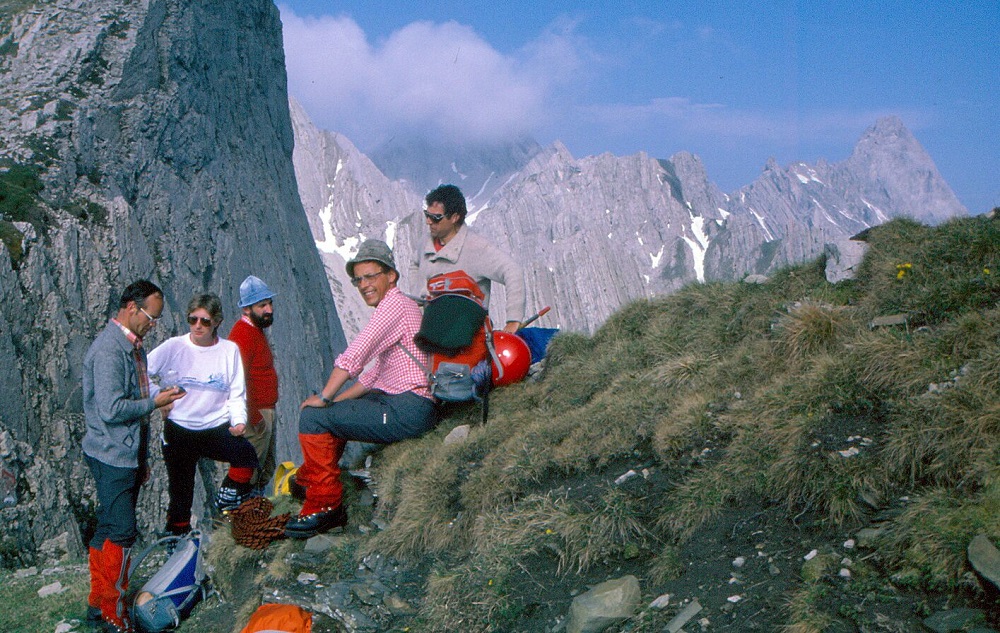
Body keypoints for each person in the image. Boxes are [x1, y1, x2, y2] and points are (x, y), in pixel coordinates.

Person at [284, 239, 436, 538]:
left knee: (312, 419)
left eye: (370, 276)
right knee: (325, 415)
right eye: (358, 279)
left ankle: (326, 505)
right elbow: (372, 376)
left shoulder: (394, 306)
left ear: (390, 275)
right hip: (408, 405)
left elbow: (357, 354)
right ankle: (314, 481)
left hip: (408, 409)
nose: (363, 285)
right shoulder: (401, 306)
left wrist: (325, 398)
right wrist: (335, 404)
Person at [83, 279, 186, 633]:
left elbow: (134, 399)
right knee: (123, 531)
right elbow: (111, 409)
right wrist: (155, 403)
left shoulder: (134, 346)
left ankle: (99, 603)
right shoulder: (111, 351)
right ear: (131, 308)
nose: (153, 324)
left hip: (125, 452)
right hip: (111, 453)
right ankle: (114, 611)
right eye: (150, 317)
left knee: (108, 527)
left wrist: (141, 457)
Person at [147, 293, 258, 537]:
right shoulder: (174, 346)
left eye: (205, 321)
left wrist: (239, 421)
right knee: (181, 492)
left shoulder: (229, 351)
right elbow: (140, 370)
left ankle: (228, 499)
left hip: (214, 426)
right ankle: (176, 538)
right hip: (179, 428)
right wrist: (158, 398)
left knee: (247, 457)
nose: (198, 326)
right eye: (193, 319)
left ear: (217, 322)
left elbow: (236, 393)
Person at [416, 183, 527, 333]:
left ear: (455, 217)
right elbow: (415, 264)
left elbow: (512, 271)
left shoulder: (477, 248)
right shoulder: (425, 242)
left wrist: (513, 320)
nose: (429, 221)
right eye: (427, 215)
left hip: (469, 343)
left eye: (436, 217)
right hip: (431, 339)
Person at [228, 275, 279, 494]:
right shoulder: (243, 335)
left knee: (264, 468)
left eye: (269, 303)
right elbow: (236, 381)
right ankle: (237, 517)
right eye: (262, 305)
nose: (269, 309)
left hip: (263, 412)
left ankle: (254, 516)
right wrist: (254, 417)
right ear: (247, 309)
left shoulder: (254, 331)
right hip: (255, 417)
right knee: (248, 470)